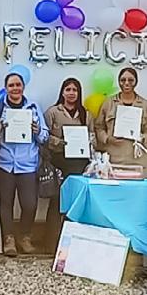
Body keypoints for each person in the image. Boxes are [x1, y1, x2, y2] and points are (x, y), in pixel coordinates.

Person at [0, 72, 49, 257]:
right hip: (4, 163)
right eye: (11, 85)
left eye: (18, 85)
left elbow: (45, 137)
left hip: (27, 164)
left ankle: (24, 237)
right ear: (6, 88)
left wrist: (37, 130)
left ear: (23, 87)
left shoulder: (33, 107)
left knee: (29, 204)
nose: (15, 88)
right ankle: (8, 239)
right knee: (6, 203)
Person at [42, 78, 94, 252]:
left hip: (79, 164)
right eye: (68, 89)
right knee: (57, 201)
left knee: (77, 203)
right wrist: (59, 142)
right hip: (59, 162)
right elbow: (43, 137)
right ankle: (51, 242)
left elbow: (92, 137)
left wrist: (88, 142)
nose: (71, 93)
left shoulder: (86, 114)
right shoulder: (52, 112)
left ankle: (74, 243)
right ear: (62, 92)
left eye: (75, 90)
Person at [94, 67, 147, 165]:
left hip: (136, 159)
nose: (127, 83)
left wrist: (142, 138)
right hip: (112, 158)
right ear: (119, 82)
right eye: (123, 80)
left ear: (136, 82)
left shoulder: (145, 105)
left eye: (130, 80)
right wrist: (107, 139)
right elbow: (98, 127)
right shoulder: (108, 103)